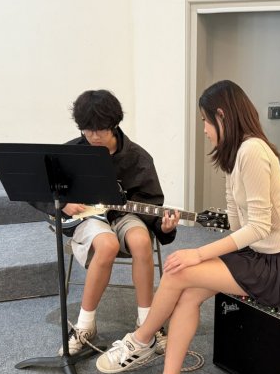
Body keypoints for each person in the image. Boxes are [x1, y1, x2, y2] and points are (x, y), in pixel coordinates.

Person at [94, 80, 280, 374]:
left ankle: (142, 340)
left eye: (205, 120)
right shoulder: (234, 157)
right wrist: (199, 233)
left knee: (179, 270)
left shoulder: (253, 151)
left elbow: (260, 227)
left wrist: (200, 254)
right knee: (187, 293)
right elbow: (238, 226)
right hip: (257, 254)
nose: (203, 129)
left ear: (222, 115)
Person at [31, 89, 180, 356]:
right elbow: (37, 189)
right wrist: (63, 204)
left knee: (141, 241)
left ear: (114, 124)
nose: (94, 136)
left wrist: (163, 227)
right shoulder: (69, 153)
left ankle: (147, 323)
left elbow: (151, 204)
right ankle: (85, 326)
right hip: (87, 218)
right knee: (107, 244)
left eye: (100, 129)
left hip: (124, 215)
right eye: (87, 129)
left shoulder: (138, 158)